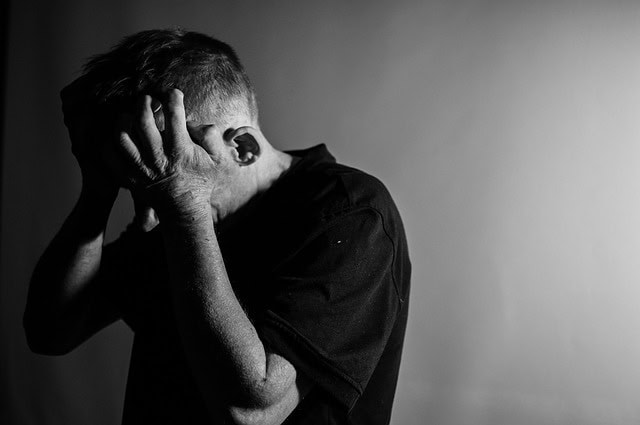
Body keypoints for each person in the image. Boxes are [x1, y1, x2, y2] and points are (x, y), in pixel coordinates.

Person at [23, 29, 411, 425]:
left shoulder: (351, 212)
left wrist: (185, 203)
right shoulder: (169, 206)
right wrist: (98, 188)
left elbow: (251, 410)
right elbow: (51, 331)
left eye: (165, 152)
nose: (149, 175)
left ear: (243, 148)